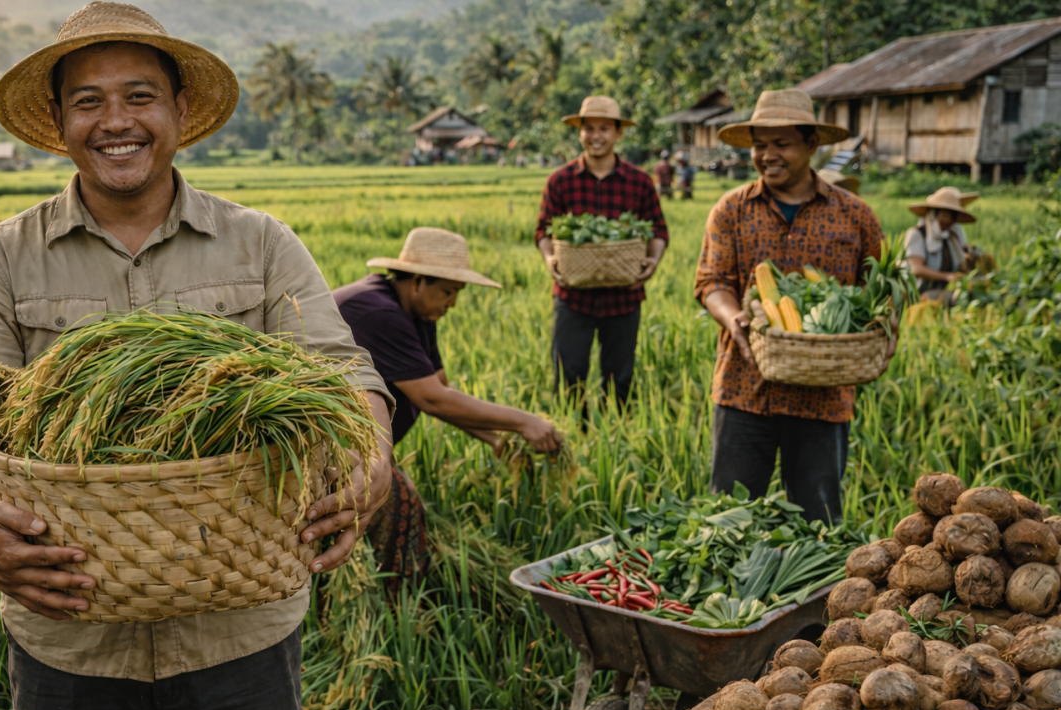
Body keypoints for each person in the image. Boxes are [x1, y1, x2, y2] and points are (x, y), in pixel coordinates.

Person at [0, 4, 394, 710]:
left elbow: (342, 373)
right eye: (88, 102)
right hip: (70, 635)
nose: (116, 122)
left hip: (241, 634)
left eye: (139, 96)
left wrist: (371, 465)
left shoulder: (260, 244)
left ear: (180, 108)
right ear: (59, 119)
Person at [694, 88, 887, 525]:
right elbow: (712, 282)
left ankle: (814, 597)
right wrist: (734, 316)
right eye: (760, 144)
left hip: (824, 397)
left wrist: (882, 334)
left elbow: (879, 294)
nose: (767, 154)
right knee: (730, 522)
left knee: (817, 526)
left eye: (781, 143)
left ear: (811, 145)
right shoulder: (731, 210)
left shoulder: (856, 216)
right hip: (744, 389)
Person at [334, 228, 564, 592]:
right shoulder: (379, 311)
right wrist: (525, 422)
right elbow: (433, 399)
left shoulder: (417, 315)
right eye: (448, 292)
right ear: (418, 281)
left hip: (357, 441)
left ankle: (372, 594)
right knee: (399, 507)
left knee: (376, 513)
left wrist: (495, 439)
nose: (452, 303)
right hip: (322, 442)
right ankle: (401, 611)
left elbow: (441, 391)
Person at [534, 95, 669, 413]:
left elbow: (659, 231)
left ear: (618, 134)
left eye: (604, 129)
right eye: (589, 128)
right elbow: (543, 232)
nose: (596, 135)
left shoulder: (639, 182)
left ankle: (617, 438)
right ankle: (573, 440)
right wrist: (550, 258)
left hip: (623, 298)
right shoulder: (560, 181)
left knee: (620, 378)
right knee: (569, 375)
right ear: (579, 132)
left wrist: (653, 260)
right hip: (573, 297)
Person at [904, 186, 977, 301]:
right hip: (920, 291)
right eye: (944, 215)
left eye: (952, 216)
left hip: (946, 288)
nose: (948, 221)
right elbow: (917, 269)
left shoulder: (952, 237)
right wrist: (947, 276)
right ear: (934, 214)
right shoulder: (917, 235)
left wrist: (974, 266)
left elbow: (962, 267)